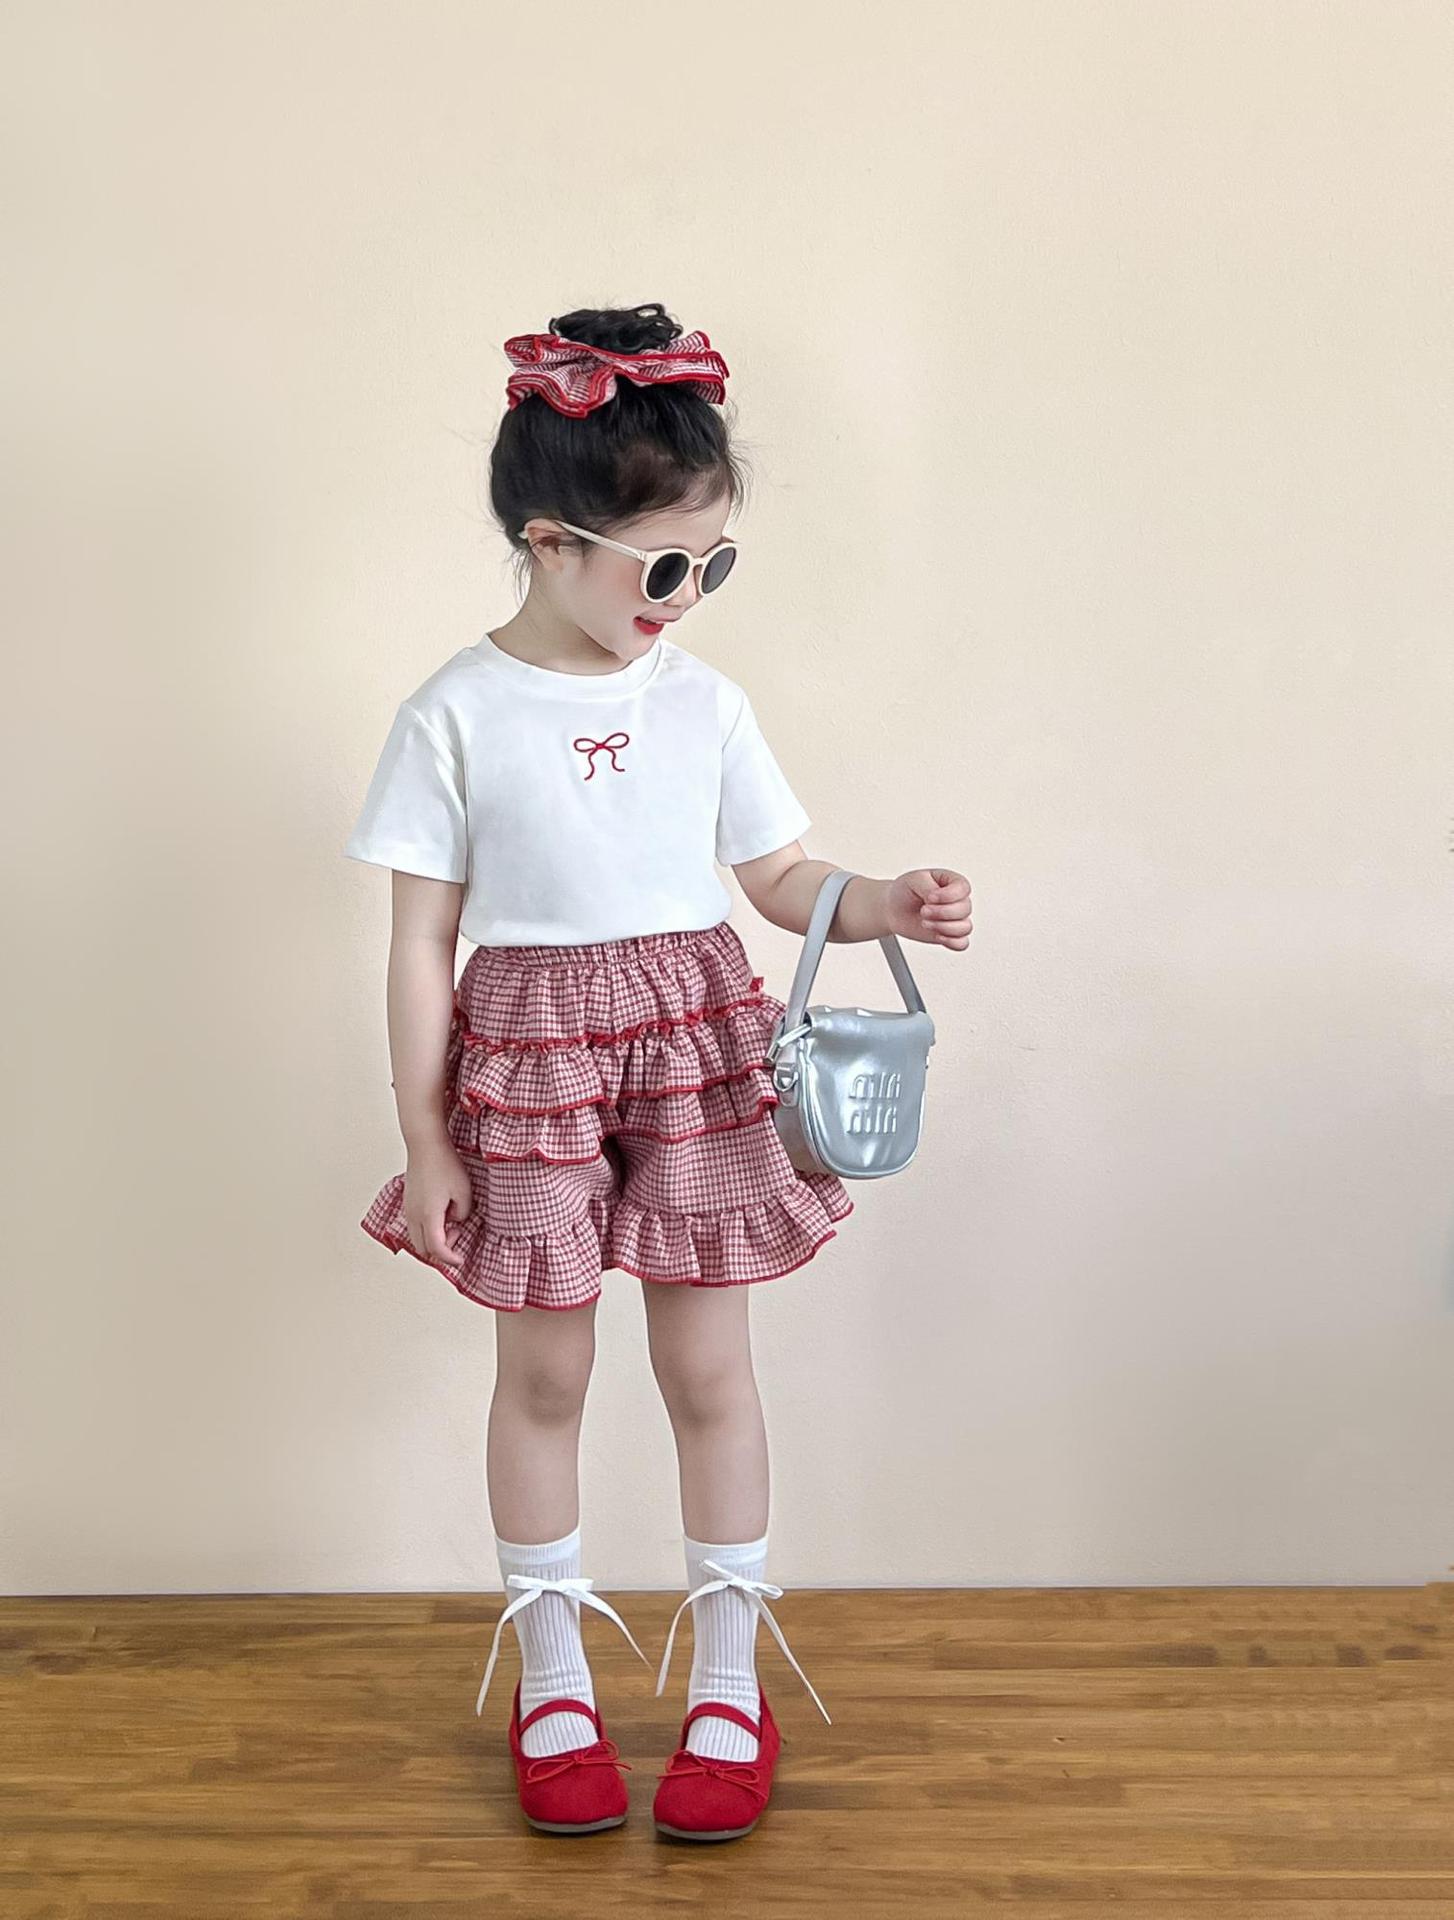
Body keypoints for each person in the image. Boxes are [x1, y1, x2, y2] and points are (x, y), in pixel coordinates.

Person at [342, 302, 974, 1840]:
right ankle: (552, 1675)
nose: (686, 599)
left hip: (694, 1047)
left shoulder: (703, 702)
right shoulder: (454, 714)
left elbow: (774, 877)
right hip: (530, 1063)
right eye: (664, 567)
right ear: (550, 543)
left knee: (706, 1373)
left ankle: (730, 1682)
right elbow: (421, 943)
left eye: (712, 564)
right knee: (545, 1374)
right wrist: (425, 1139)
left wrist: (881, 903)